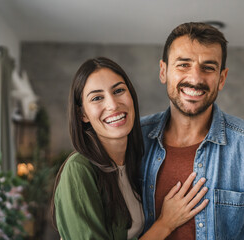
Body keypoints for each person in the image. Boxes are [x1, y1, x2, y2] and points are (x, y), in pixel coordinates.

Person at [141, 22, 244, 240]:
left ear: (222, 78)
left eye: (208, 67)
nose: (195, 79)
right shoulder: (132, 141)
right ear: (163, 71)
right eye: (183, 65)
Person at [51, 57, 209, 240]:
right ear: (83, 114)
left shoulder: (135, 161)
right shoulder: (79, 169)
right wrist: (166, 223)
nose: (112, 104)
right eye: (97, 98)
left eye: (118, 91)